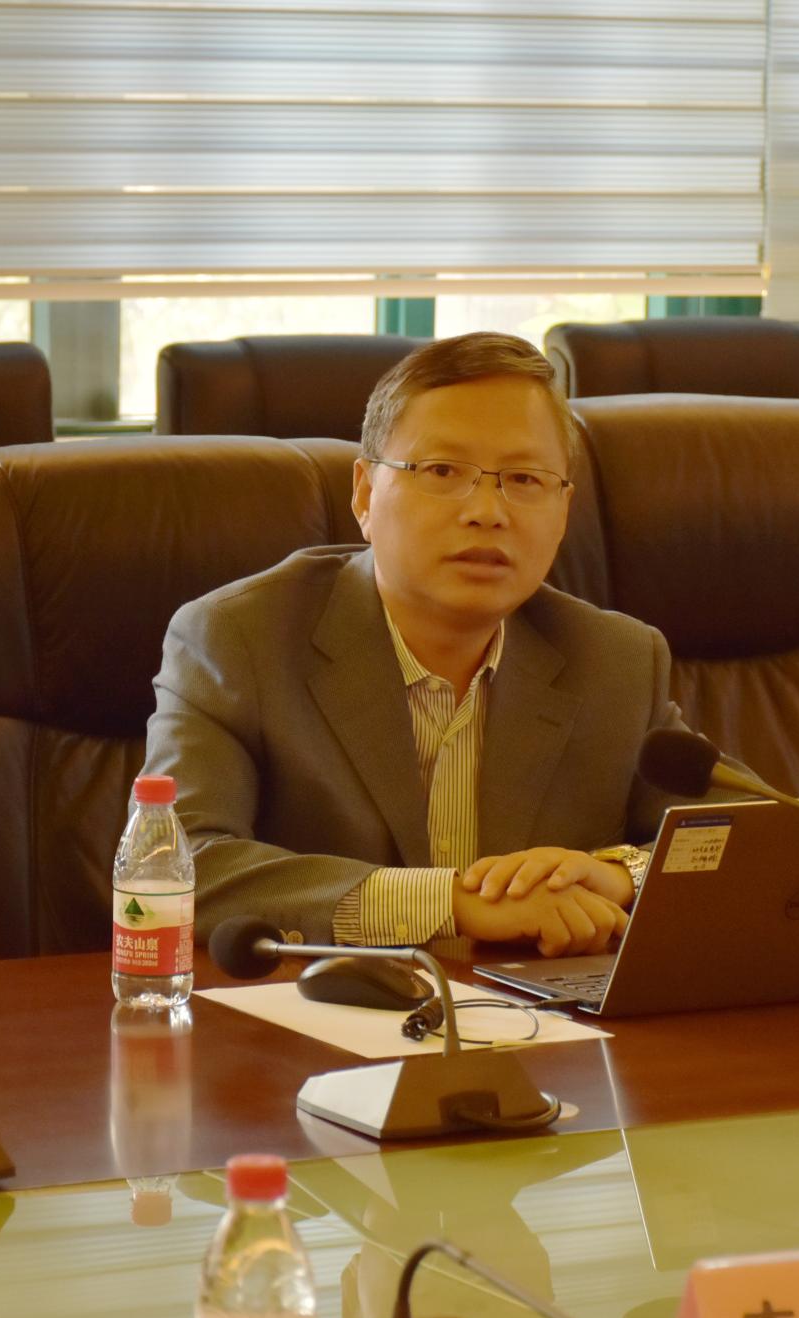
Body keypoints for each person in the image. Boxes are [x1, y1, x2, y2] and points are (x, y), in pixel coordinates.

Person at [142, 332, 746, 957]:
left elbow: (754, 834)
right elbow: (174, 863)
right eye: (442, 472)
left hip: (537, 1012)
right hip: (322, 1009)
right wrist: (452, 903)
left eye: (524, 478)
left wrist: (621, 875)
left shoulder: (614, 658)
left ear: (564, 510)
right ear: (364, 495)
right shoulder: (240, 639)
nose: (487, 511)